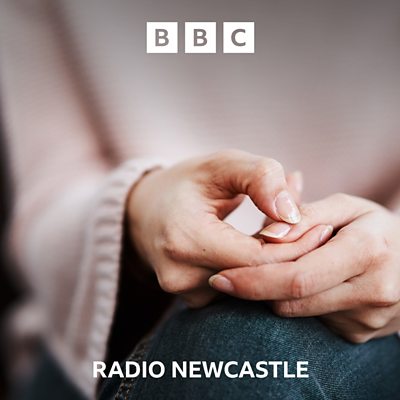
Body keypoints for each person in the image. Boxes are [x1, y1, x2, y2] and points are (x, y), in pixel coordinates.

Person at [1, 1, 400, 399]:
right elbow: (48, 190)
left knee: (241, 345)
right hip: (94, 334)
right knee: (238, 350)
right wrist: (139, 209)